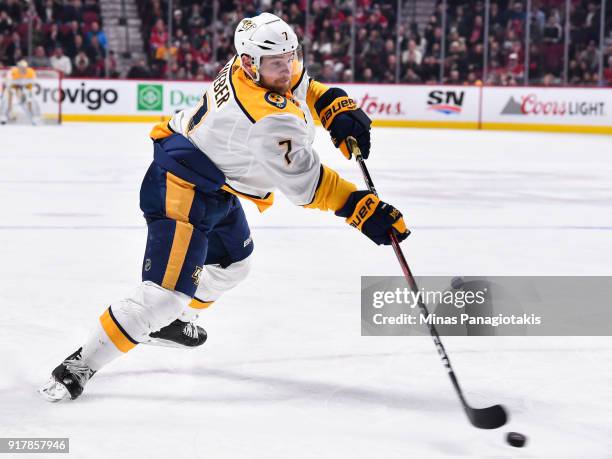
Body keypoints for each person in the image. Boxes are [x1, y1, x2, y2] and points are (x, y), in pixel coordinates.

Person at [39, 13, 409, 402]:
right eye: (276, 63)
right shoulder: (267, 117)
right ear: (250, 62)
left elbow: (302, 84)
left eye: (290, 56)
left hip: (214, 186)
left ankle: (173, 325)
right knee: (164, 296)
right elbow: (306, 185)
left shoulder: (252, 64)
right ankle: (80, 365)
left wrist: (331, 103)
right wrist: (359, 207)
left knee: (234, 264)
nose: (287, 68)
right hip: (180, 188)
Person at [0, 60, 41, 125]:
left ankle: (35, 118)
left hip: (26, 89)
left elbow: (34, 82)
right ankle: (3, 117)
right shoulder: (12, 72)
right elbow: (8, 83)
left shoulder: (31, 72)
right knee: (6, 98)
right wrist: (18, 87)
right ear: (18, 67)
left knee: (33, 101)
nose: (22, 69)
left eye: (24, 68)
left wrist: (23, 88)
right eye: (21, 68)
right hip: (13, 89)